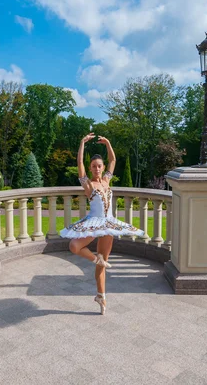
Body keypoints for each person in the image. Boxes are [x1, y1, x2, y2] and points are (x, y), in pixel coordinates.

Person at [60, 133, 144, 314]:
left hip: (108, 224)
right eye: (94, 166)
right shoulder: (89, 185)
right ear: (91, 169)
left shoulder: (106, 181)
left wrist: (108, 143)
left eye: (99, 166)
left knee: (103, 264)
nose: (97, 169)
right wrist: (82, 142)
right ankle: (95, 258)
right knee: (74, 245)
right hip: (94, 222)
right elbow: (79, 165)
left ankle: (101, 295)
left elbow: (113, 159)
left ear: (103, 167)